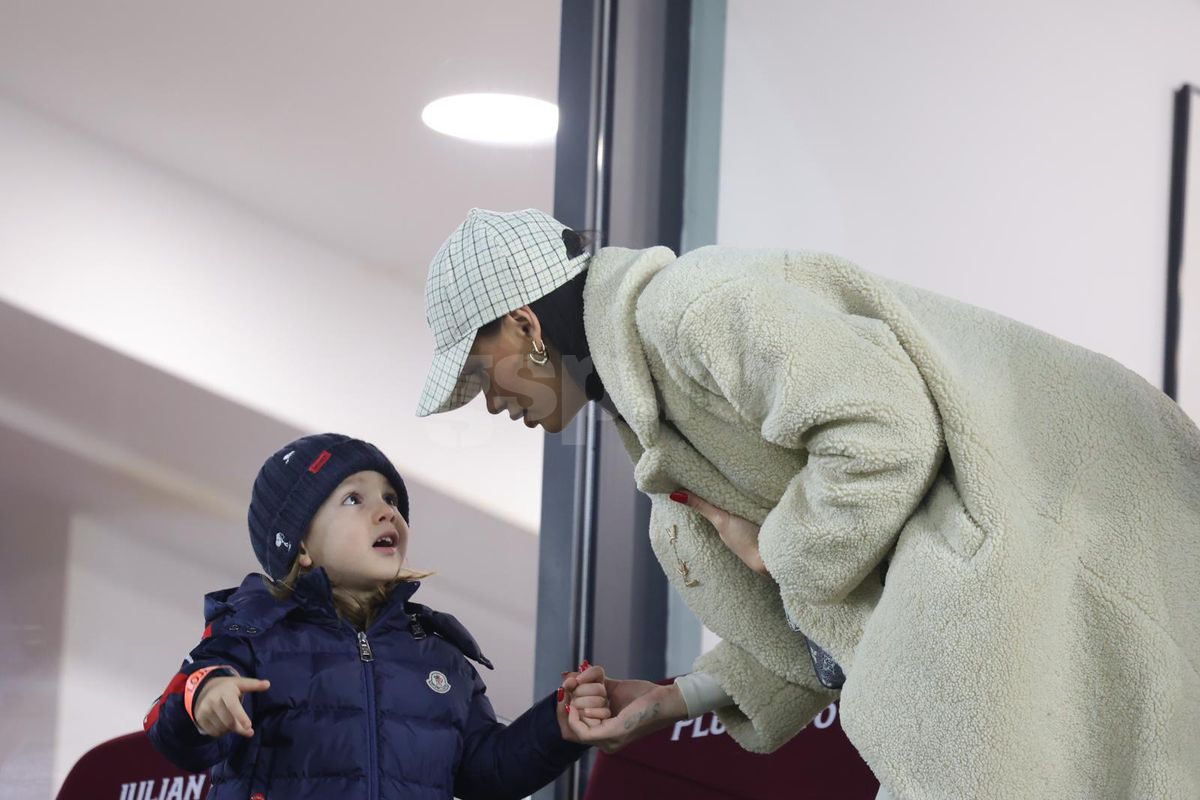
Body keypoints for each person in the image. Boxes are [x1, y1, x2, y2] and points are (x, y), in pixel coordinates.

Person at [417, 208, 1200, 799]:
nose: (491, 405)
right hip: (1014, 577)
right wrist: (668, 700)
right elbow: (808, 639)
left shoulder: (692, 309)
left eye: (483, 377)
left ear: (526, 327)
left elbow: (884, 431)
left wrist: (778, 550)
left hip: (1071, 520)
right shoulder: (665, 459)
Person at [144, 432, 608, 800]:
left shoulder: (439, 656)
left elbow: (486, 773)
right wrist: (203, 697)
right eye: (354, 499)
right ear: (300, 546)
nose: (386, 511)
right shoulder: (253, 633)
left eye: (390, 498)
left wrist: (558, 725)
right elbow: (174, 728)